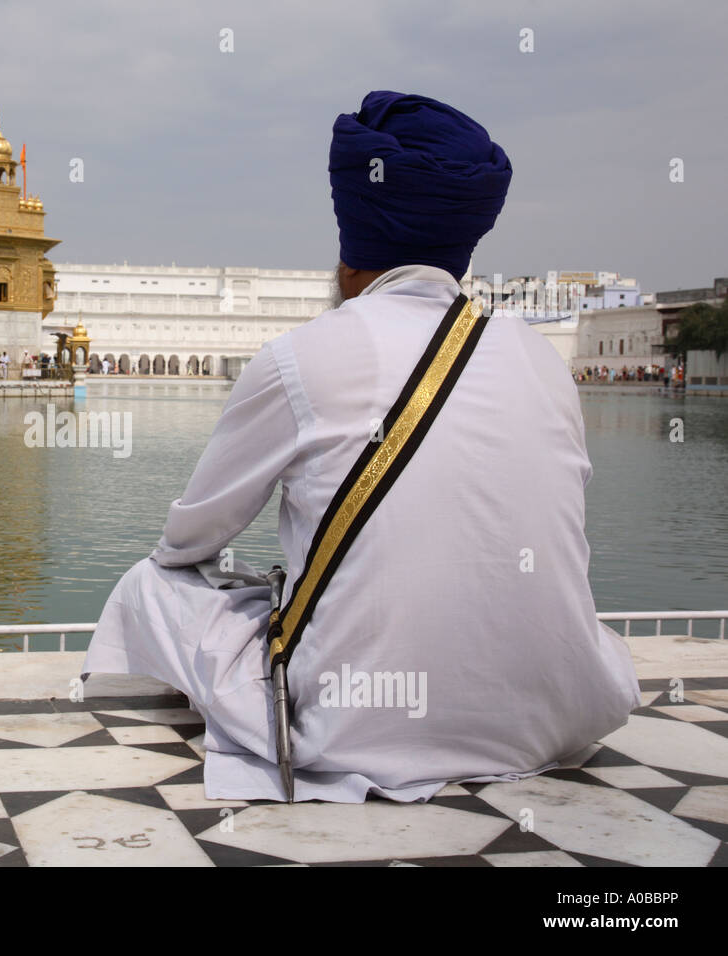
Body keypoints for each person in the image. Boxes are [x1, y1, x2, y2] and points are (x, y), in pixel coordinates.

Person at [82, 91, 639, 803]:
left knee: (153, 585)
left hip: (354, 724)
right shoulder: (539, 358)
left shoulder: (299, 356)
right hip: (557, 716)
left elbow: (187, 539)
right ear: (464, 243)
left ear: (349, 243)